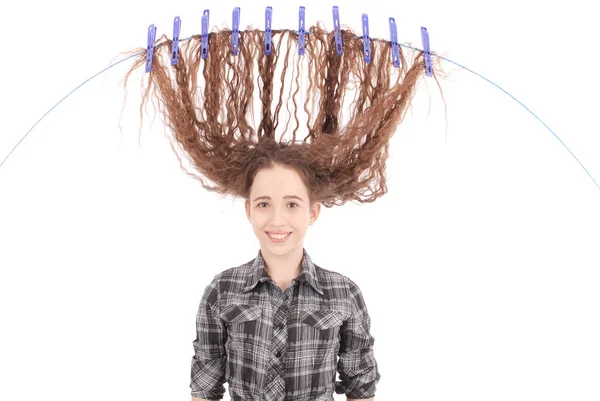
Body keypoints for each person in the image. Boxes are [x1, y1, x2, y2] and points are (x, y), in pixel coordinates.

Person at [119, 16, 444, 401]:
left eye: (292, 204)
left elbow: (361, 388)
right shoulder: (222, 291)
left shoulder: (344, 294)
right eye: (263, 204)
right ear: (248, 211)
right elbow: (204, 388)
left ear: (313, 211)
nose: (277, 220)